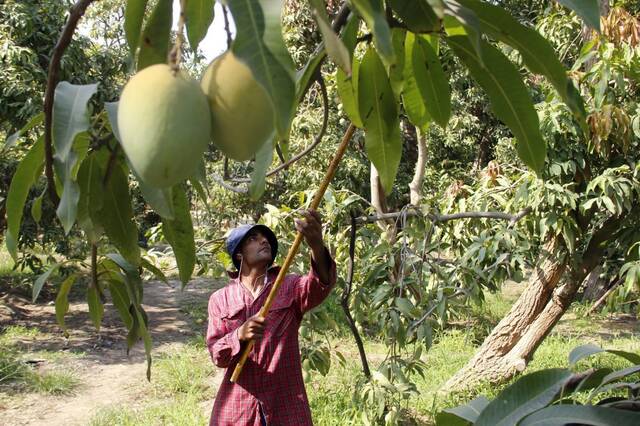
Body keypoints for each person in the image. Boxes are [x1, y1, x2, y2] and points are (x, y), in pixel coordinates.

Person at [206, 209, 336, 426]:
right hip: (238, 410)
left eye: (265, 238)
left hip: (286, 407)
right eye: (253, 239)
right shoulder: (220, 299)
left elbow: (319, 285)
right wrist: (239, 334)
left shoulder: (289, 286)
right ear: (239, 254)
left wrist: (316, 245)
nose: (263, 241)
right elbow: (218, 355)